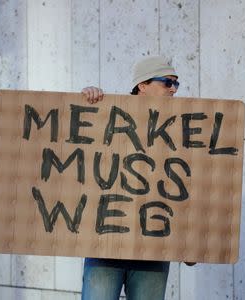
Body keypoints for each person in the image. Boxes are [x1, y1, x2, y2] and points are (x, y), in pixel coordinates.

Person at [80, 56, 190, 300]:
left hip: (153, 249)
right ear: (142, 85)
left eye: (176, 84)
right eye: (166, 82)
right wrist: (88, 99)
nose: (173, 89)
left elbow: (190, 184)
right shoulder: (108, 114)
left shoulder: (180, 126)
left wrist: (191, 242)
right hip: (105, 246)